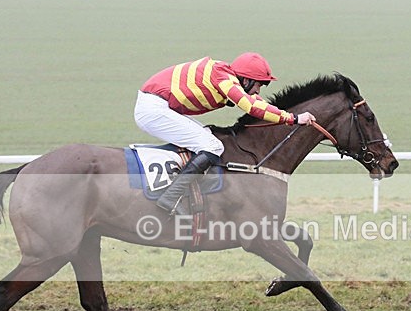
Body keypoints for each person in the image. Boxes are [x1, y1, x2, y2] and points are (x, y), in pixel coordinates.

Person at [135, 52, 316, 215]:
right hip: (154, 109)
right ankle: (171, 197)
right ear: (246, 80)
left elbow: (255, 101)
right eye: (258, 85)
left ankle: (187, 190)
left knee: (208, 137)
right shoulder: (224, 78)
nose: (258, 91)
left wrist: (283, 114)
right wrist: (292, 118)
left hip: (160, 106)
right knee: (213, 146)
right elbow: (251, 106)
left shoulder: (227, 75)